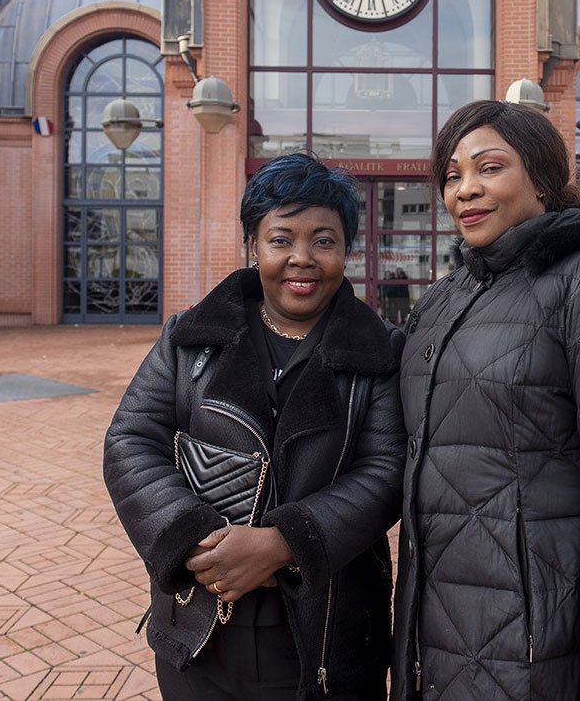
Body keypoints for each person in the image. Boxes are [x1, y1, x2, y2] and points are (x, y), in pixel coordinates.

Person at [391, 100, 580, 701]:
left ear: (543, 179)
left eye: (490, 168)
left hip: (543, 649)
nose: (465, 190)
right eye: (451, 176)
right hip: (440, 637)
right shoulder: (448, 297)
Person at [104, 153, 405, 700]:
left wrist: (284, 542)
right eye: (281, 239)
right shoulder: (191, 338)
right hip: (198, 627)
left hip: (326, 633)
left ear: (348, 251)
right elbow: (131, 440)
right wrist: (192, 538)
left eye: (324, 241)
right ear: (253, 246)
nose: (302, 259)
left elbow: (386, 471)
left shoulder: (378, 352)